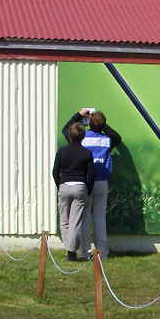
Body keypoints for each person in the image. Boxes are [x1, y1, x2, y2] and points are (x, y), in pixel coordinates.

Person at [62, 108, 121, 260]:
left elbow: (66, 130)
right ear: (102, 125)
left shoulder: (83, 137)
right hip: (102, 181)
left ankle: (84, 252)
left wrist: (79, 115)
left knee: (85, 217)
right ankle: (102, 253)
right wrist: (100, 124)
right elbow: (117, 137)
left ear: (89, 123)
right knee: (100, 218)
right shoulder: (107, 139)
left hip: (86, 181)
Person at [53, 122, 94, 261]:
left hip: (64, 186)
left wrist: (60, 185)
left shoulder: (61, 151)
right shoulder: (87, 153)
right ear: (83, 136)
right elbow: (91, 176)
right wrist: (88, 190)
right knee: (75, 222)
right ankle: (71, 251)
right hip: (80, 187)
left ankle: (69, 251)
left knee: (64, 221)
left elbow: (55, 172)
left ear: (69, 136)